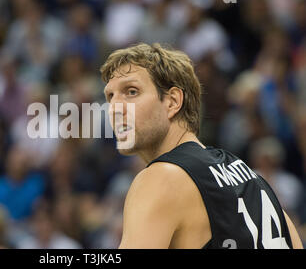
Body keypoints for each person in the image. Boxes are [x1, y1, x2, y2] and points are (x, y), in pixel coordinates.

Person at [100, 43, 303, 249]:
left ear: (172, 102)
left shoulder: (161, 178)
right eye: (110, 96)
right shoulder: (253, 180)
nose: (114, 108)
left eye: (131, 92)